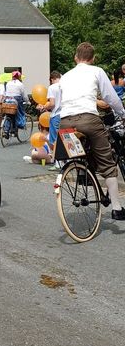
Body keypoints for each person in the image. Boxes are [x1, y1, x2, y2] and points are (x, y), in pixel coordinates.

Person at [59, 42, 125, 220]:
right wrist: (123, 114)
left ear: (75, 57)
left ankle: (83, 172)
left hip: (65, 122)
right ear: (93, 58)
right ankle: (117, 208)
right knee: (107, 161)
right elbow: (111, 97)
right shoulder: (97, 71)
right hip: (88, 119)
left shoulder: (64, 76)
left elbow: (58, 105)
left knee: (80, 153)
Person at [37, 71, 62, 171]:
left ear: (51, 79)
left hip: (56, 115)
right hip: (66, 114)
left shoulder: (52, 87)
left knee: (54, 140)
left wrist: (43, 107)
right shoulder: (65, 85)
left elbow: (52, 103)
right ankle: (65, 161)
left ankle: (58, 162)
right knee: (63, 138)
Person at [3, 71, 29, 137]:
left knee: (9, 115)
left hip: (8, 100)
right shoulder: (20, 84)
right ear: (19, 77)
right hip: (16, 100)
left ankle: (6, 130)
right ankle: (19, 125)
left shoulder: (8, 83)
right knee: (20, 113)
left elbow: (6, 92)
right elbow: (24, 95)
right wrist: (27, 101)